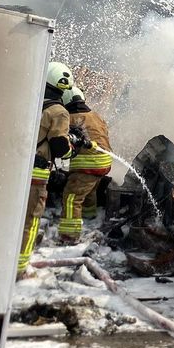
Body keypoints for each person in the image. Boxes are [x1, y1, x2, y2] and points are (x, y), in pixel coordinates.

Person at [18, 62, 76, 279]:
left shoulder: (28, 101)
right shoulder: (58, 111)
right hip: (36, 175)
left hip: (14, 169)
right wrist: (72, 146)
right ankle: (19, 268)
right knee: (29, 220)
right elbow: (60, 147)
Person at [58, 86, 112, 244]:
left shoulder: (69, 117)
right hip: (104, 162)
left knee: (71, 198)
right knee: (89, 191)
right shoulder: (94, 115)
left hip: (88, 165)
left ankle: (69, 236)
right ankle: (90, 217)